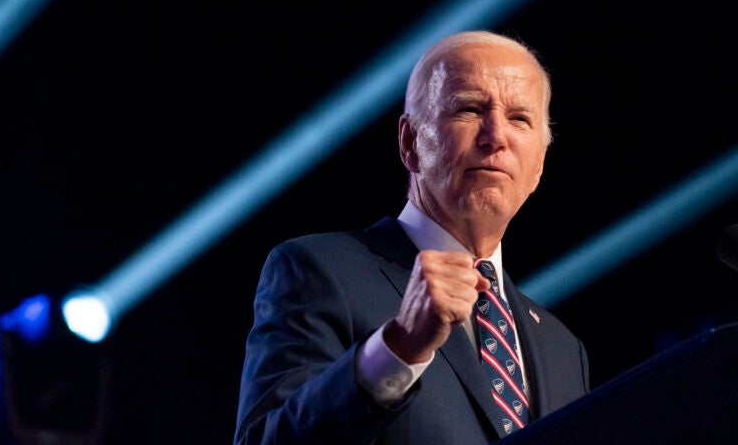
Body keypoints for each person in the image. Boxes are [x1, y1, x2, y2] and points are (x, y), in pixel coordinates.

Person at [233, 30, 590, 444]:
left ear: (539, 165)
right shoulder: (318, 270)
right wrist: (398, 349)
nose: (496, 137)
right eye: (469, 109)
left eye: (519, 119)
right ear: (410, 142)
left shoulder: (564, 349)